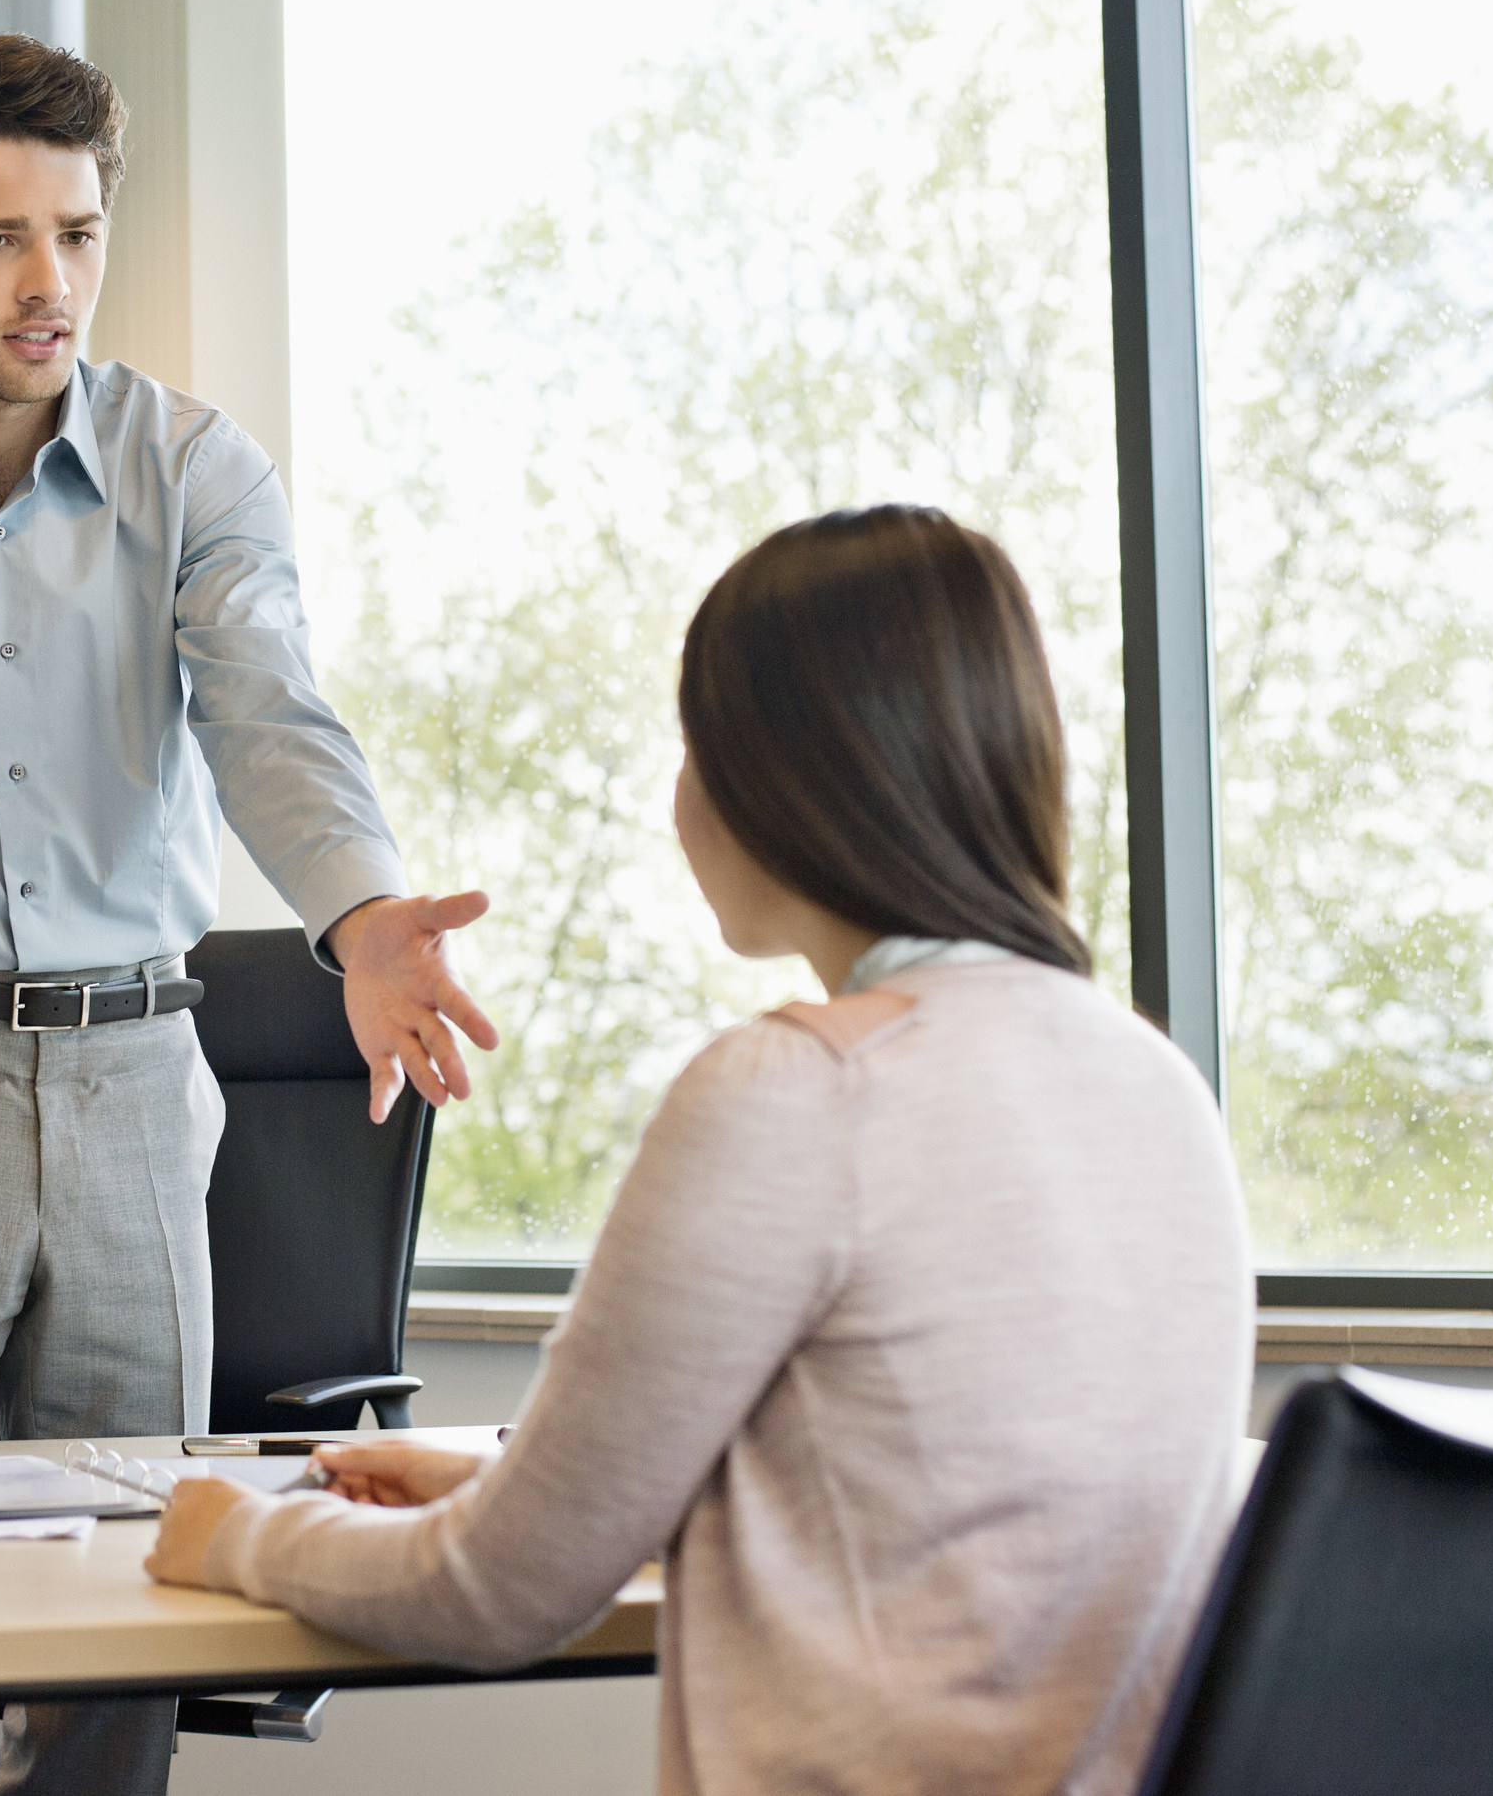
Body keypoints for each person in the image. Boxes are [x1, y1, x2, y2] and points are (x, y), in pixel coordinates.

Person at [0, 33, 496, 1796]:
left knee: (132, 1605)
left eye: (78, 231)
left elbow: (269, 709)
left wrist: (358, 914)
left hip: (136, 1079)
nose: (51, 284)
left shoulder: (194, 470)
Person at [147, 506, 1255, 1796]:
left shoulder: (799, 1090)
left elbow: (498, 1592)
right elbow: (942, 1507)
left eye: (695, 742)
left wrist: (240, 1536)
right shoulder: (1153, 1084)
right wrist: (502, 1482)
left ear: (784, 775)